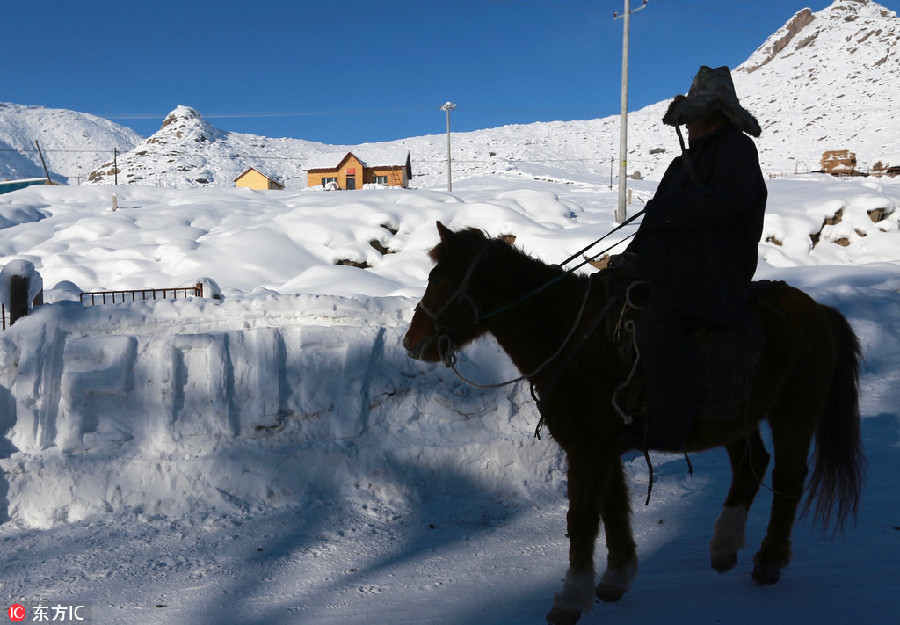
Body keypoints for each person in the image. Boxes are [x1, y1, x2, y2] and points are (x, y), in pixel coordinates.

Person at [616, 65, 768, 452]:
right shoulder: (681, 164)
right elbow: (656, 221)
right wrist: (631, 256)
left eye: (693, 117)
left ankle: (669, 428)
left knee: (659, 323)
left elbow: (724, 204)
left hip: (713, 273)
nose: (687, 125)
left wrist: (667, 211)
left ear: (710, 115)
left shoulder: (737, 149)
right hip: (670, 269)